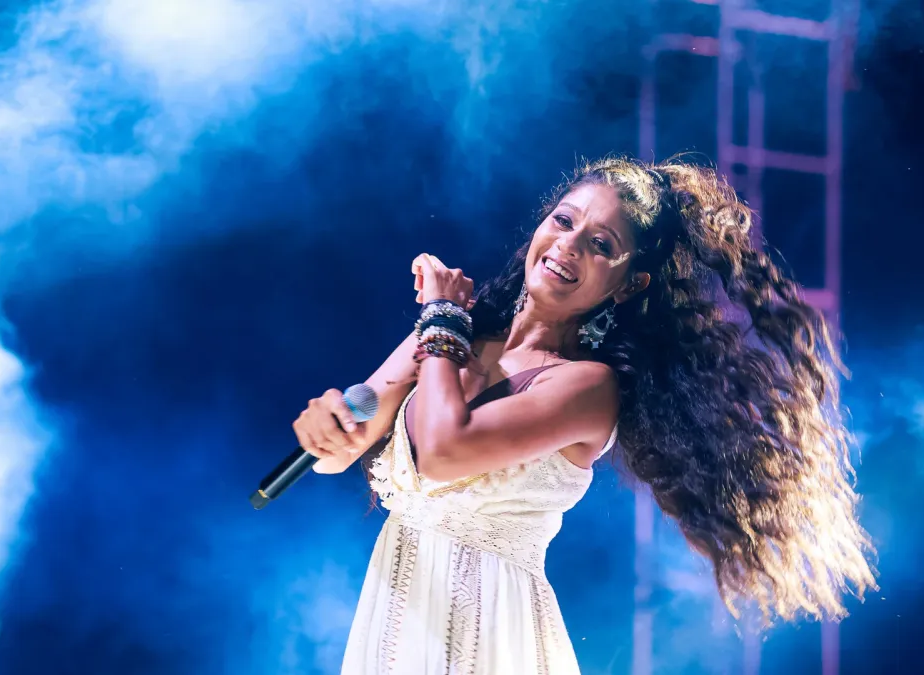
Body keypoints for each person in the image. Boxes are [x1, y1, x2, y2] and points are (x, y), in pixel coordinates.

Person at [293, 157, 876, 674]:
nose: (568, 248)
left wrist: (442, 315)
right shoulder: (452, 337)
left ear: (629, 285)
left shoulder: (586, 388)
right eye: (564, 221)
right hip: (396, 619)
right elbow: (359, 421)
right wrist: (329, 425)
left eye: (601, 245)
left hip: (490, 632)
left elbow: (445, 451)